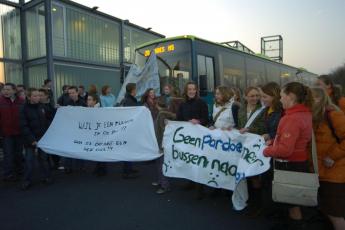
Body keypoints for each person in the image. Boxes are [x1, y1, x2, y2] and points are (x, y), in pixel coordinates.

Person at [264, 82, 313, 230]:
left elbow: (285, 150)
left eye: (282, 96)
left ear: (290, 97)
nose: (280, 100)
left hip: (289, 164)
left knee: (292, 202)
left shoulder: (291, 118)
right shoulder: (304, 113)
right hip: (299, 162)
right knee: (292, 200)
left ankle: (295, 226)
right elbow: (292, 139)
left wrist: (266, 151)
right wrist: (274, 141)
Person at [311, 87, 345, 230]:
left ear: (318, 99)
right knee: (327, 210)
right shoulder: (316, 115)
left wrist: (332, 156)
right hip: (322, 172)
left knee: (335, 214)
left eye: (309, 99)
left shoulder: (333, 115)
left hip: (334, 173)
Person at [177, 81, 209, 200]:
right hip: (187, 138)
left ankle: (200, 189)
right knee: (189, 160)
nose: (191, 91)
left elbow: (206, 119)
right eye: (189, 89)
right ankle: (190, 182)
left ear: (196, 91)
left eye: (193, 89)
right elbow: (178, 119)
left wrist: (199, 121)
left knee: (198, 161)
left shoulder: (202, 103)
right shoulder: (182, 104)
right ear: (186, 91)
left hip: (198, 138)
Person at [237, 86, 266, 214]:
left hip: (255, 146)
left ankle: (257, 204)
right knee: (244, 173)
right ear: (245, 97)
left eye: (256, 96)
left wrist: (249, 130)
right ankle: (246, 199)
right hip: (243, 144)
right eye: (252, 96)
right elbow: (239, 125)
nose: (255, 98)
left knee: (254, 174)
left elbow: (264, 128)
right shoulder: (241, 109)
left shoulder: (263, 110)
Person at [20, 88, 52, 190]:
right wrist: (32, 140)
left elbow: (49, 119)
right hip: (30, 140)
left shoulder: (42, 107)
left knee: (44, 159)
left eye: (39, 95)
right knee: (29, 161)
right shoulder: (23, 109)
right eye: (35, 96)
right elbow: (24, 126)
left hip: (43, 138)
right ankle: (26, 181)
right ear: (29, 97)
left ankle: (46, 177)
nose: (38, 97)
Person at [0, 83, 25, 181]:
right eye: (4, 89)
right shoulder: (0, 101)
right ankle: (8, 173)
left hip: (19, 132)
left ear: (14, 91)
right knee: (8, 154)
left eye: (8, 89)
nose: (6, 91)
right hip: (6, 133)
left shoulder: (22, 101)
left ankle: (19, 170)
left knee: (18, 153)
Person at [63, 86, 86, 174]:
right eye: (69, 93)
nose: (71, 95)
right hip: (70, 130)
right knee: (69, 148)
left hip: (80, 130)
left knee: (79, 147)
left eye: (73, 93)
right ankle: (68, 166)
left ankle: (80, 166)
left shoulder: (83, 103)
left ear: (77, 93)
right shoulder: (66, 103)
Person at [120, 83, 139, 179]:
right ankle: (126, 172)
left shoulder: (127, 99)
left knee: (129, 149)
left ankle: (129, 168)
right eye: (135, 89)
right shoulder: (129, 101)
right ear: (132, 90)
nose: (136, 91)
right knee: (128, 149)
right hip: (129, 129)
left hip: (129, 128)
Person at [39, 88, 58, 169]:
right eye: (38, 95)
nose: (39, 97)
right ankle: (47, 166)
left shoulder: (50, 105)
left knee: (52, 148)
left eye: (41, 95)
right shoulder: (37, 106)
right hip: (42, 131)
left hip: (51, 131)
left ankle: (55, 163)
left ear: (46, 96)